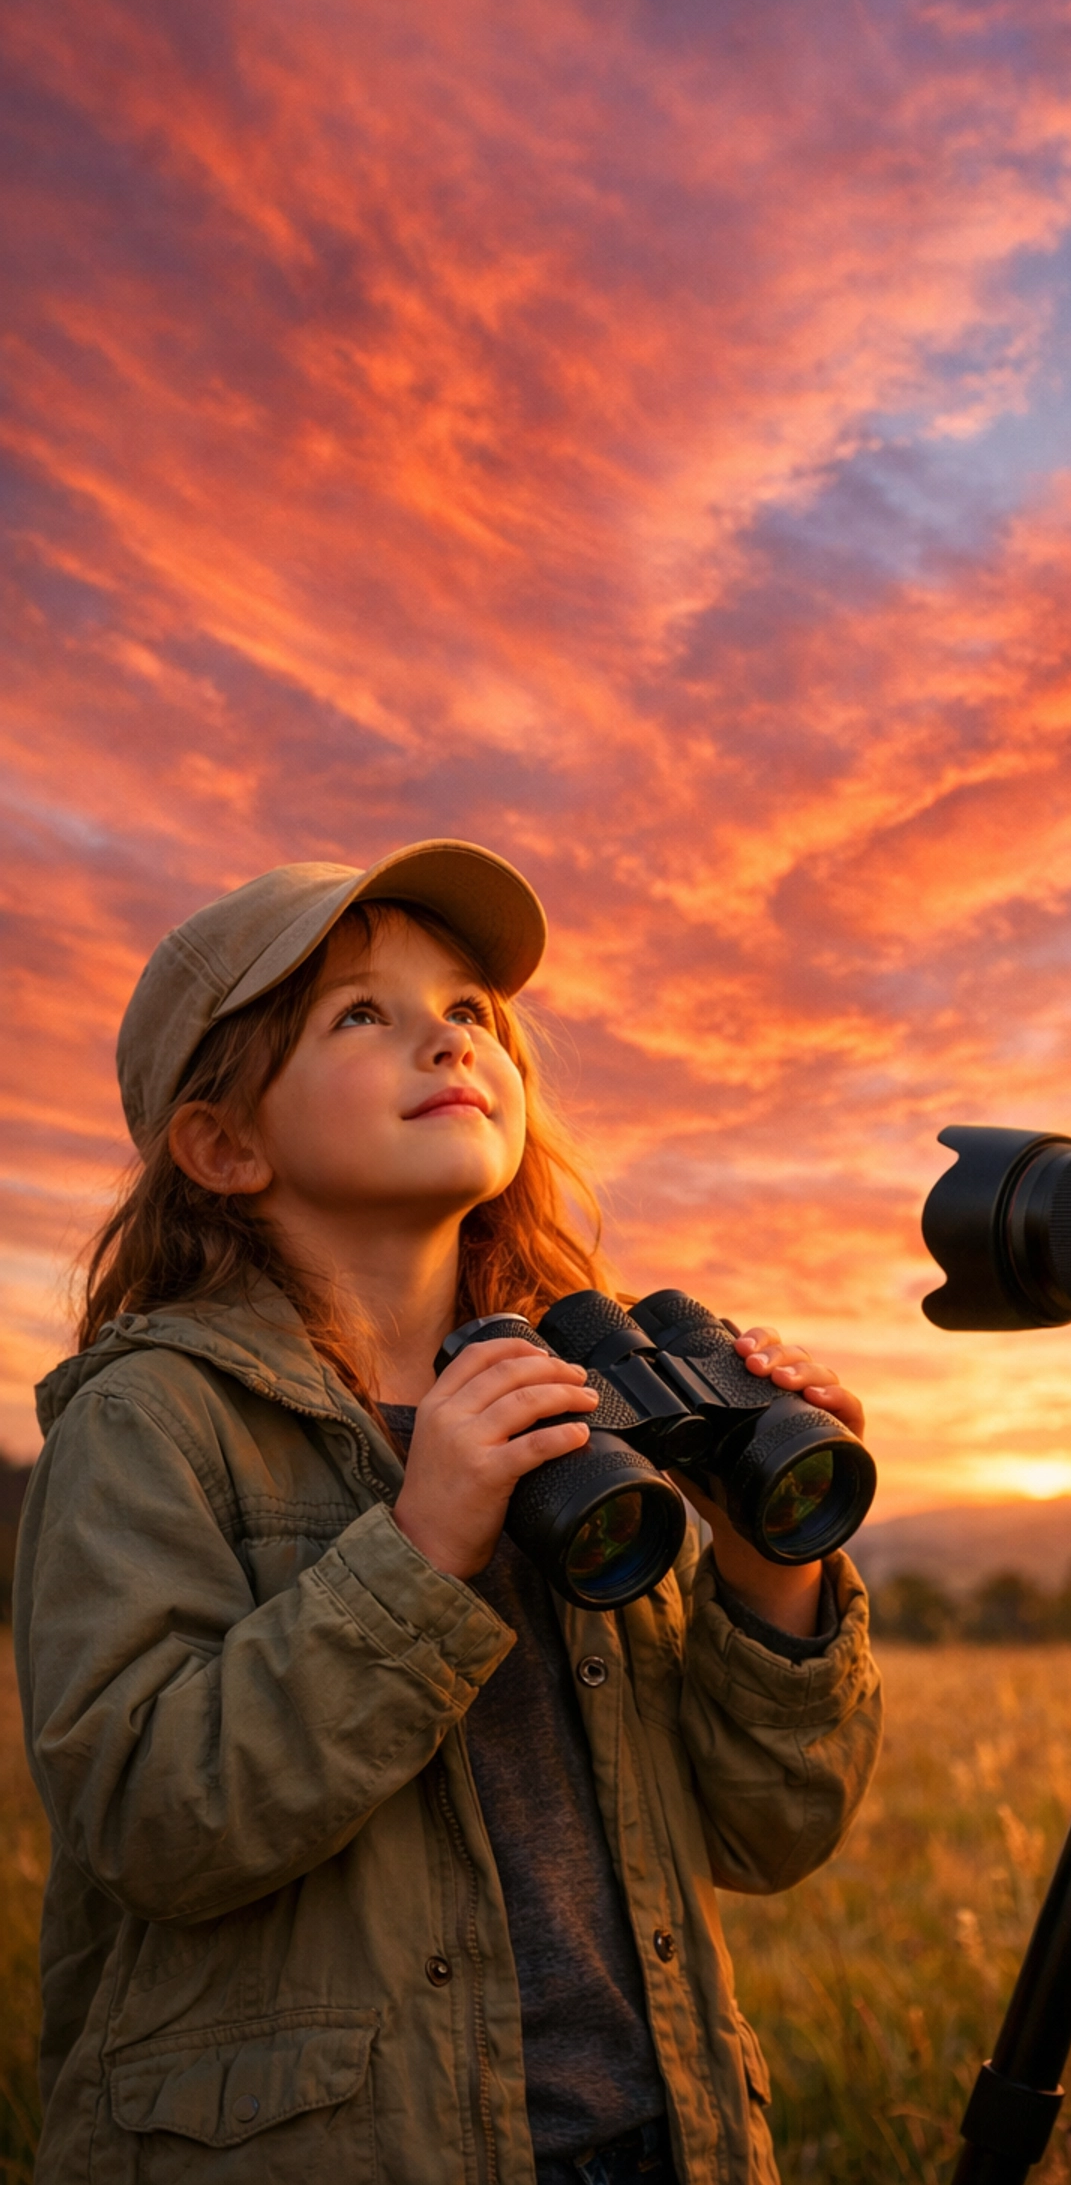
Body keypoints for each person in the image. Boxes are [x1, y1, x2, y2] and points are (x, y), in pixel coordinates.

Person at [14, 840, 882, 2185]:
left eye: (471, 1011)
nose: (445, 1040)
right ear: (224, 1143)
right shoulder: (153, 1420)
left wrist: (772, 1570)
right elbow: (149, 1821)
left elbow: (763, 1835)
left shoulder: (578, 1413)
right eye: (362, 1013)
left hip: (659, 2143)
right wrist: (421, 1550)